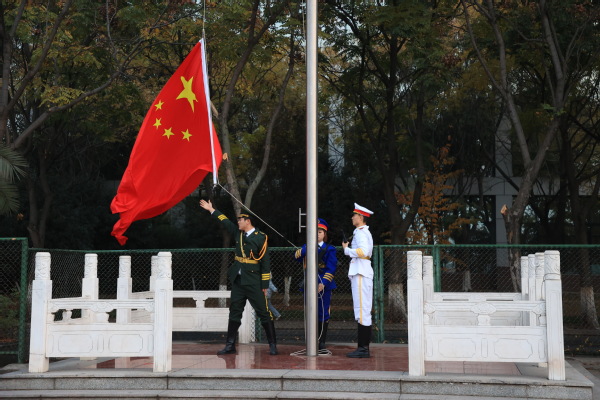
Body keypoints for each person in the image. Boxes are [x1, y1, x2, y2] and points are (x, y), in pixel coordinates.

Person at [199, 199, 278, 355]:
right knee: (235, 311)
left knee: (264, 312)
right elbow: (225, 221)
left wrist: (264, 284)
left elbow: (265, 263)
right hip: (239, 281)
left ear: (248, 221)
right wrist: (211, 210)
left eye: (240, 220)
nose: (238, 222)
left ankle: (272, 345)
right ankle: (230, 345)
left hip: (254, 281)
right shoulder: (238, 234)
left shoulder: (260, 237)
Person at [295, 218, 337, 350]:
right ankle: (311, 340)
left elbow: (331, 268)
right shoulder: (306, 247)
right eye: (315, 231)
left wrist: (323, 283)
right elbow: (296, 257)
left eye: (320, 232)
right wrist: (307, 248)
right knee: (310, 311)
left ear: (324, 234)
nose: (317, 234)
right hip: (309, 283)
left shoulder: (330, 249)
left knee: (323, 312)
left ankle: (321, 341)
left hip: (324, 284)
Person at [342, 203, 374, 358]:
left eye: (354, 215)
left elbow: (363, 251)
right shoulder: (360, 232)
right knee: (362, 309)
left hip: (361, 271)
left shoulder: (361, 233)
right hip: (361, 271)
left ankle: (363, 348)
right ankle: (363, 347)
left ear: (360, 217)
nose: (352, 218)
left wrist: (347, 250)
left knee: (362, 310)